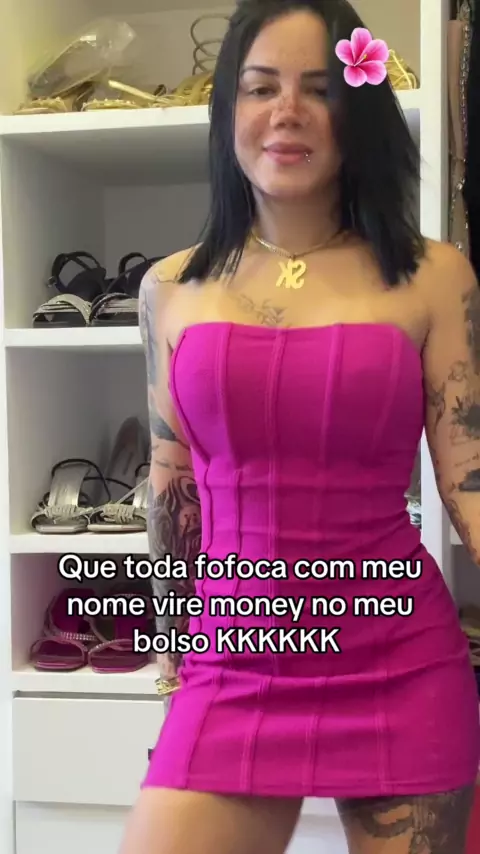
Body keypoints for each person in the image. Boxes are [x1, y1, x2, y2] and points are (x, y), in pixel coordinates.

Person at [120, 1, 480, 852]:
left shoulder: (433, 276)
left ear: (358, 112)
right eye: (260, 87)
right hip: (230, 664)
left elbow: (469, 475)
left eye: (320, 89)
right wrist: (171, 656)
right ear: (228, 111)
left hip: (399, 661)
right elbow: (171, 482)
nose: (287, 111)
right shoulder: (170, 287)